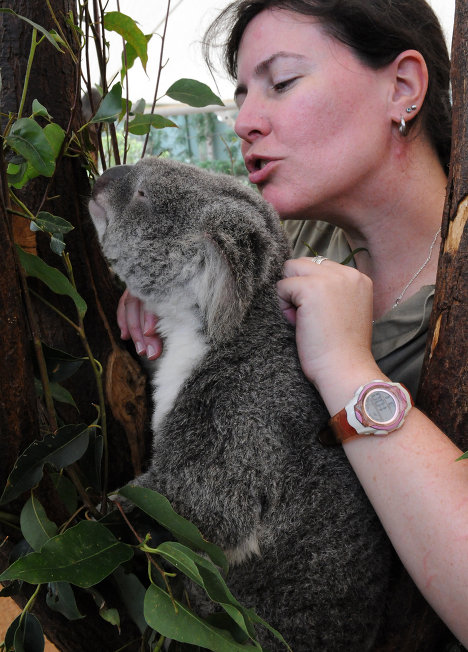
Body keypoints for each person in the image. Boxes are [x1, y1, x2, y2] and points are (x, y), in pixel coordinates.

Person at [117, 0, 468, 647]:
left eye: (282, 82)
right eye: (243, 94)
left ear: (403, 87)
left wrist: (347, 370)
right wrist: (167, 304)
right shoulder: (282, 251)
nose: (246, 120)